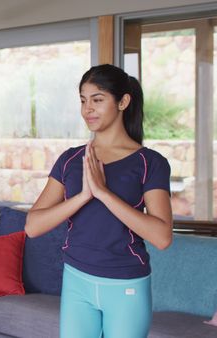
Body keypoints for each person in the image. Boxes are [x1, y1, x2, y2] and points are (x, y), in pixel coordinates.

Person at [25, 64, 173, 338]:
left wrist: (104, 193)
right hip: (76, 279)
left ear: (123, 101)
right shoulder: (70, 159)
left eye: (97, 99)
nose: (87, 109)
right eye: (83, 100)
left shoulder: (150, 162)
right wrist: (83, 196)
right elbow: (33, 226)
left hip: (126, 283)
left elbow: (162, 237)